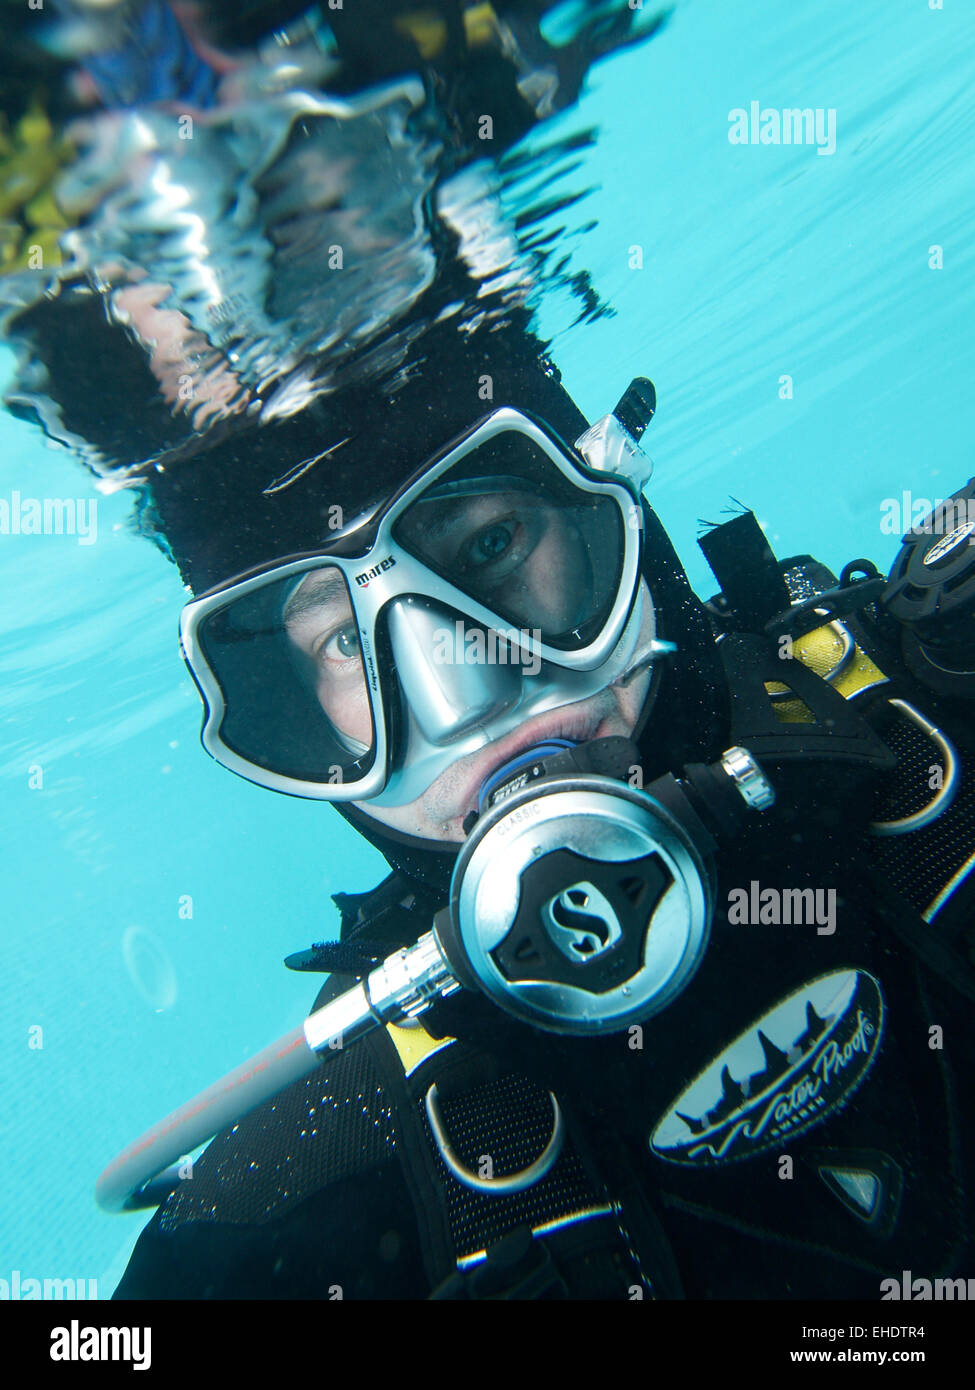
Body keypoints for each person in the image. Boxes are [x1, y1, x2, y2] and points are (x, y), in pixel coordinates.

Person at [5, 1, 975, 1301]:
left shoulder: (937, 689)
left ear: (613, 514)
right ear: (292, 721)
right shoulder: (307, 1205)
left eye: (496, 544)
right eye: (340, 645)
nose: (467, 697)